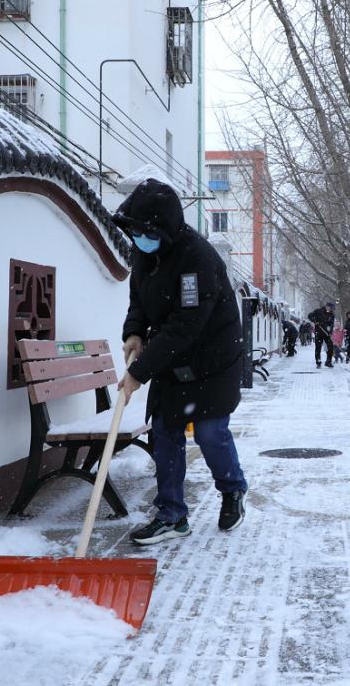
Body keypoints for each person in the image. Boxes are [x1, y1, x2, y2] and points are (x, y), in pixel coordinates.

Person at [112, 178, 248, 545]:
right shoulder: (146, 254)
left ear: (166, 227)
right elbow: (138, 299)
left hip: (213, 361)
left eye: (146, 231)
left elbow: (184, 326)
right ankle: (172, 515)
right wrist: (134, 332)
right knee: (165, 434)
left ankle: (233, 488)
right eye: (136, 231)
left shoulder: (197, 259)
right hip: (172, 362)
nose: (140, 238)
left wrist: (139, 373)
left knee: (209, 433)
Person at [307, 302, 336, 368]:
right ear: (326, 306)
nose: (330, 309)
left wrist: (330, 332)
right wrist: (314, 321)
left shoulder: (332, 315)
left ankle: (328, 362)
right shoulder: (318, 311)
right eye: (329, 307)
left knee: (330, 347)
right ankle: (318, 362)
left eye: (331, 308)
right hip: (319, 332)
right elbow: (310, 316)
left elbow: (331, 325)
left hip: (327, 333)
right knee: (318, 348)